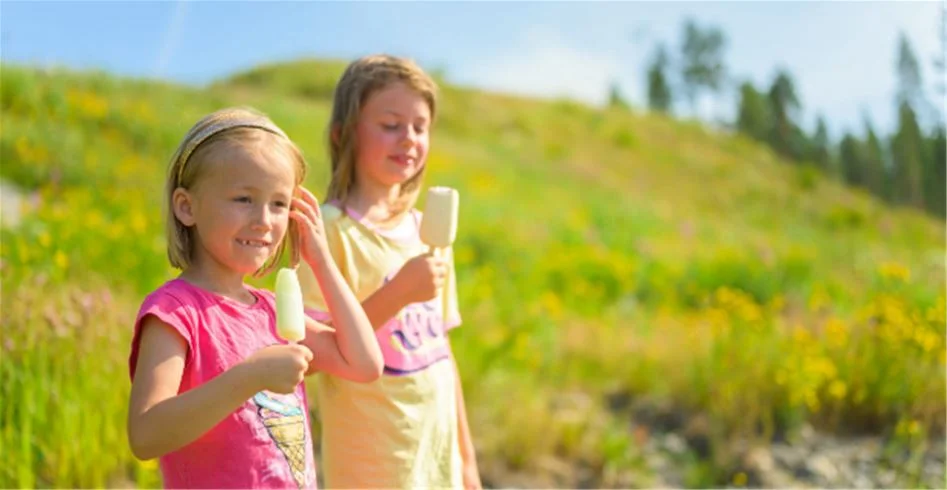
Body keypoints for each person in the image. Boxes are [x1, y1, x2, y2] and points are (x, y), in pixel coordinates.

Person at [127, 107, 383, 489]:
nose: (264, 219)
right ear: (187, 206)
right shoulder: (175, 312)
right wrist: (250, 377)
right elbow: (146, 434)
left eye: (279, 203)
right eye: (244, 199)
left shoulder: (271, 311)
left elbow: (364, 363)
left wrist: (322, 259)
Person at [297, 54, 481, 489]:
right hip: (374, 460)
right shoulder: (326, 231)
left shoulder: (428, 232)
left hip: (436, 454)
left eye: (420, 126)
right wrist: (398, 293)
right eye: (391, 124)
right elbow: (313, 356)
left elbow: (444, 353)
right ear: (344, 135)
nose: (409, 139)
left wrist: (467, 461)